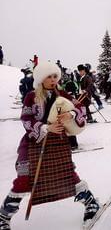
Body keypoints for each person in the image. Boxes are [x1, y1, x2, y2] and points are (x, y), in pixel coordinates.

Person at [0, 61, 99, 230]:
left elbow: (81, 108)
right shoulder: (31, 96)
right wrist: (45, 127)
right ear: (40, 79)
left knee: (67, 173)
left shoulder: (62, 93)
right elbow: (26, 118)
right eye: (49, 76)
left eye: (55, 76)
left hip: (57, 143)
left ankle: (91, 203)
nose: (53, 79)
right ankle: (3, 216)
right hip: (33, 141)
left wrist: (72, 114)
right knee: (24, 178)